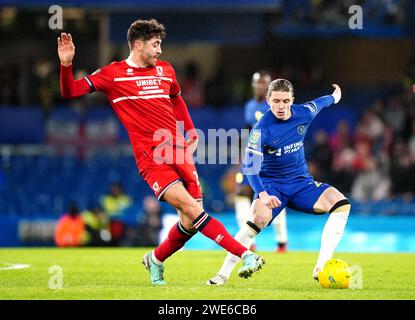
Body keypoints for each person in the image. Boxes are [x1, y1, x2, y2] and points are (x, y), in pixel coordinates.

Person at [57, 18, 263, 286]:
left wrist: (190, 131)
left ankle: (155, 259)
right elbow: (70, 90)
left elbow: (177, 99)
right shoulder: (113, 74)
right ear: (138, 44)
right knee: (192, 208)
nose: (160, 51)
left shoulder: (165, 70)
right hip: (152, 159)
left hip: (179, 153)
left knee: (190, 222)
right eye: (155, 45)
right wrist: (66, 65)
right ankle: (245, 254)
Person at [208, 79, 350, 285]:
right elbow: (250, 167)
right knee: (257, 220)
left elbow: (321, 103)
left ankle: (321, 265)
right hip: (272, 187)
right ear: (268, 100)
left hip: (302, 184)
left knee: (341, 204)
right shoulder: (261, 129)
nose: (281, 106)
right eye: (276, 101)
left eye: (285, 101)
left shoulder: (304, 112)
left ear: (292, 100)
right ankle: (222, 274)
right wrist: (263, 194)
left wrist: (335, 97)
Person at [234, 70, 288, 256]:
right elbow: (248, 131)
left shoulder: (275, 107)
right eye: (258, 83)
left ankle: (281, 242)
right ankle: (250, 242)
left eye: (264, 83)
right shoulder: (249, 106)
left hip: (271, 160)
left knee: (275, 197)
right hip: (252, 157)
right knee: (241, 193)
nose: (260, 86)